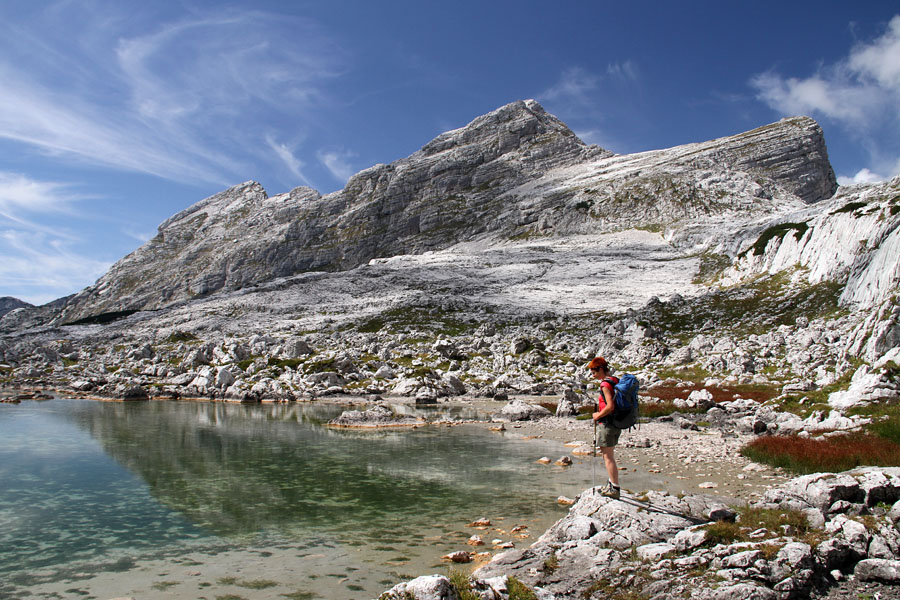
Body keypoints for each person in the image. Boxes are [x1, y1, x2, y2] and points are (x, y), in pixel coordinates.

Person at [588, 356, 621, 499]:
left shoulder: (605, 385)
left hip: (607, 423)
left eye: (594, 372)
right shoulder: (615, 381)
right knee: (610, 454)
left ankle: (615, 488)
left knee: (608, 456)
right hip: (616, 423)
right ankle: (612, 483)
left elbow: (610, 406)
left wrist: (597, 415)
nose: (593, 375)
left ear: (601, 369)